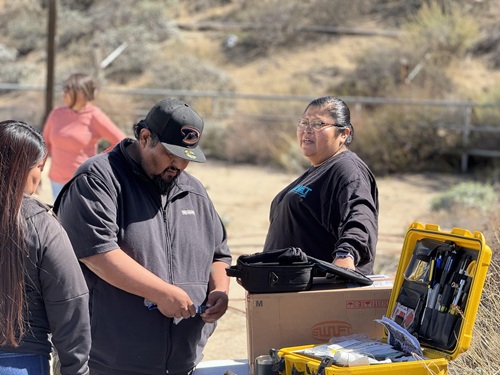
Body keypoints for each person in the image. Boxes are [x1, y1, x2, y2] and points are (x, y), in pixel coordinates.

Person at [55, 98, 232, 375]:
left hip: (181, 361)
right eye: (171, 154)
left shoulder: (194, 191)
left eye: (186, 157)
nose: (178, 165)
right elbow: (96, 253)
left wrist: (220, 291)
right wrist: (160, 292)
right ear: (145, 137)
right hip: (108, 361)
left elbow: (218, 255)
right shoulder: (99, 179)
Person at [0, 120, 91, 375]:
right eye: (39, 166)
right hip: (20, 360)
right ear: (26, 169)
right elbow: (70, 302)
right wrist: (76, 369)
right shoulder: (40, 224)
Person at [263, 96, 378, 275]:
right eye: (304, 122)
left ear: (343, 134)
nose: (307, 130)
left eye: (318, 124)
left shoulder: (347, 169)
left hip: (317, 293)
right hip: (286, 291)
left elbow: (360, 215)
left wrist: (346, 254)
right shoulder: (318, 169)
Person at [42, 72, 126, 201]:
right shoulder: (56, 114)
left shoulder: (94, 115)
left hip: (82, 183)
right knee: (58, 220)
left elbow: (121, 140)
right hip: (56, 182)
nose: (64, 92)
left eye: (69, 89)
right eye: (64, 88)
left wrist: (100, 159)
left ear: (82, 93)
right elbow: (44, 144)